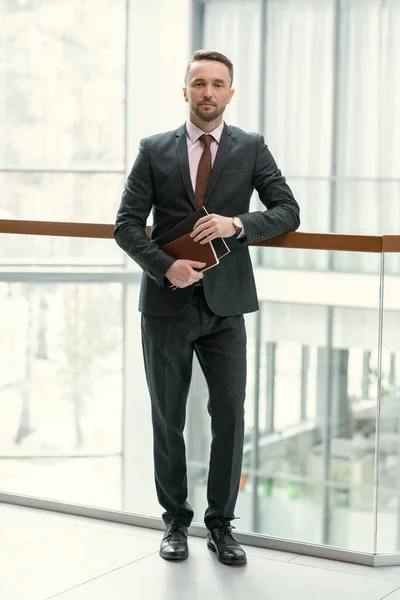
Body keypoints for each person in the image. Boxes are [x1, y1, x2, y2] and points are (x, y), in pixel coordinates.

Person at [114, 49, 300, 566]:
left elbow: (288, 211)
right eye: (199, 83)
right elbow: (126, 225)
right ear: (185, 91)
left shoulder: (251, 147)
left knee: (230, 418)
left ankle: (222, 526)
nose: (208, 93)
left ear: (230, 93)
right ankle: (175, 521)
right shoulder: (154, 150)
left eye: (218, 84)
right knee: (167, 417)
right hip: (166, 305)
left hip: (226, 306)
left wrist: (236, 224)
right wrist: (164, 267)